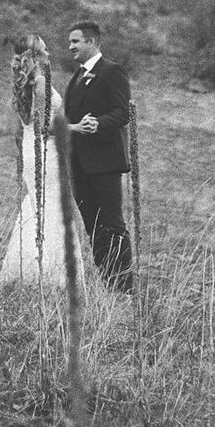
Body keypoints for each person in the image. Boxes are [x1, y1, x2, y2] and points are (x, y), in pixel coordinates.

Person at [0, 34, 82, 288]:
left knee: (36, 207)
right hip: (46, 152)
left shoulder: (23, 85)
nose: (49, 54)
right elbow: (47, 127)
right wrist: (78, 127)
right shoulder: (41, 82)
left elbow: (24, 128)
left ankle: (25, 272)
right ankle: (52, 277)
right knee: (54, 207)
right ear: (34, 55)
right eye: (44, 50)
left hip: (30, 150)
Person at [65, 19, 133, 294]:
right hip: (78, 165)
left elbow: (122, 111)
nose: (70, 46)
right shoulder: (75, 78)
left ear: (92, 42)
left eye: (75, 41)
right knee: (93, 227)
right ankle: (108, 281)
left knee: (113, 224)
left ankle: (126, 285)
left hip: (105, 162)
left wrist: (99, 123)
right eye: (70, 42)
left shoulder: (112, 71)